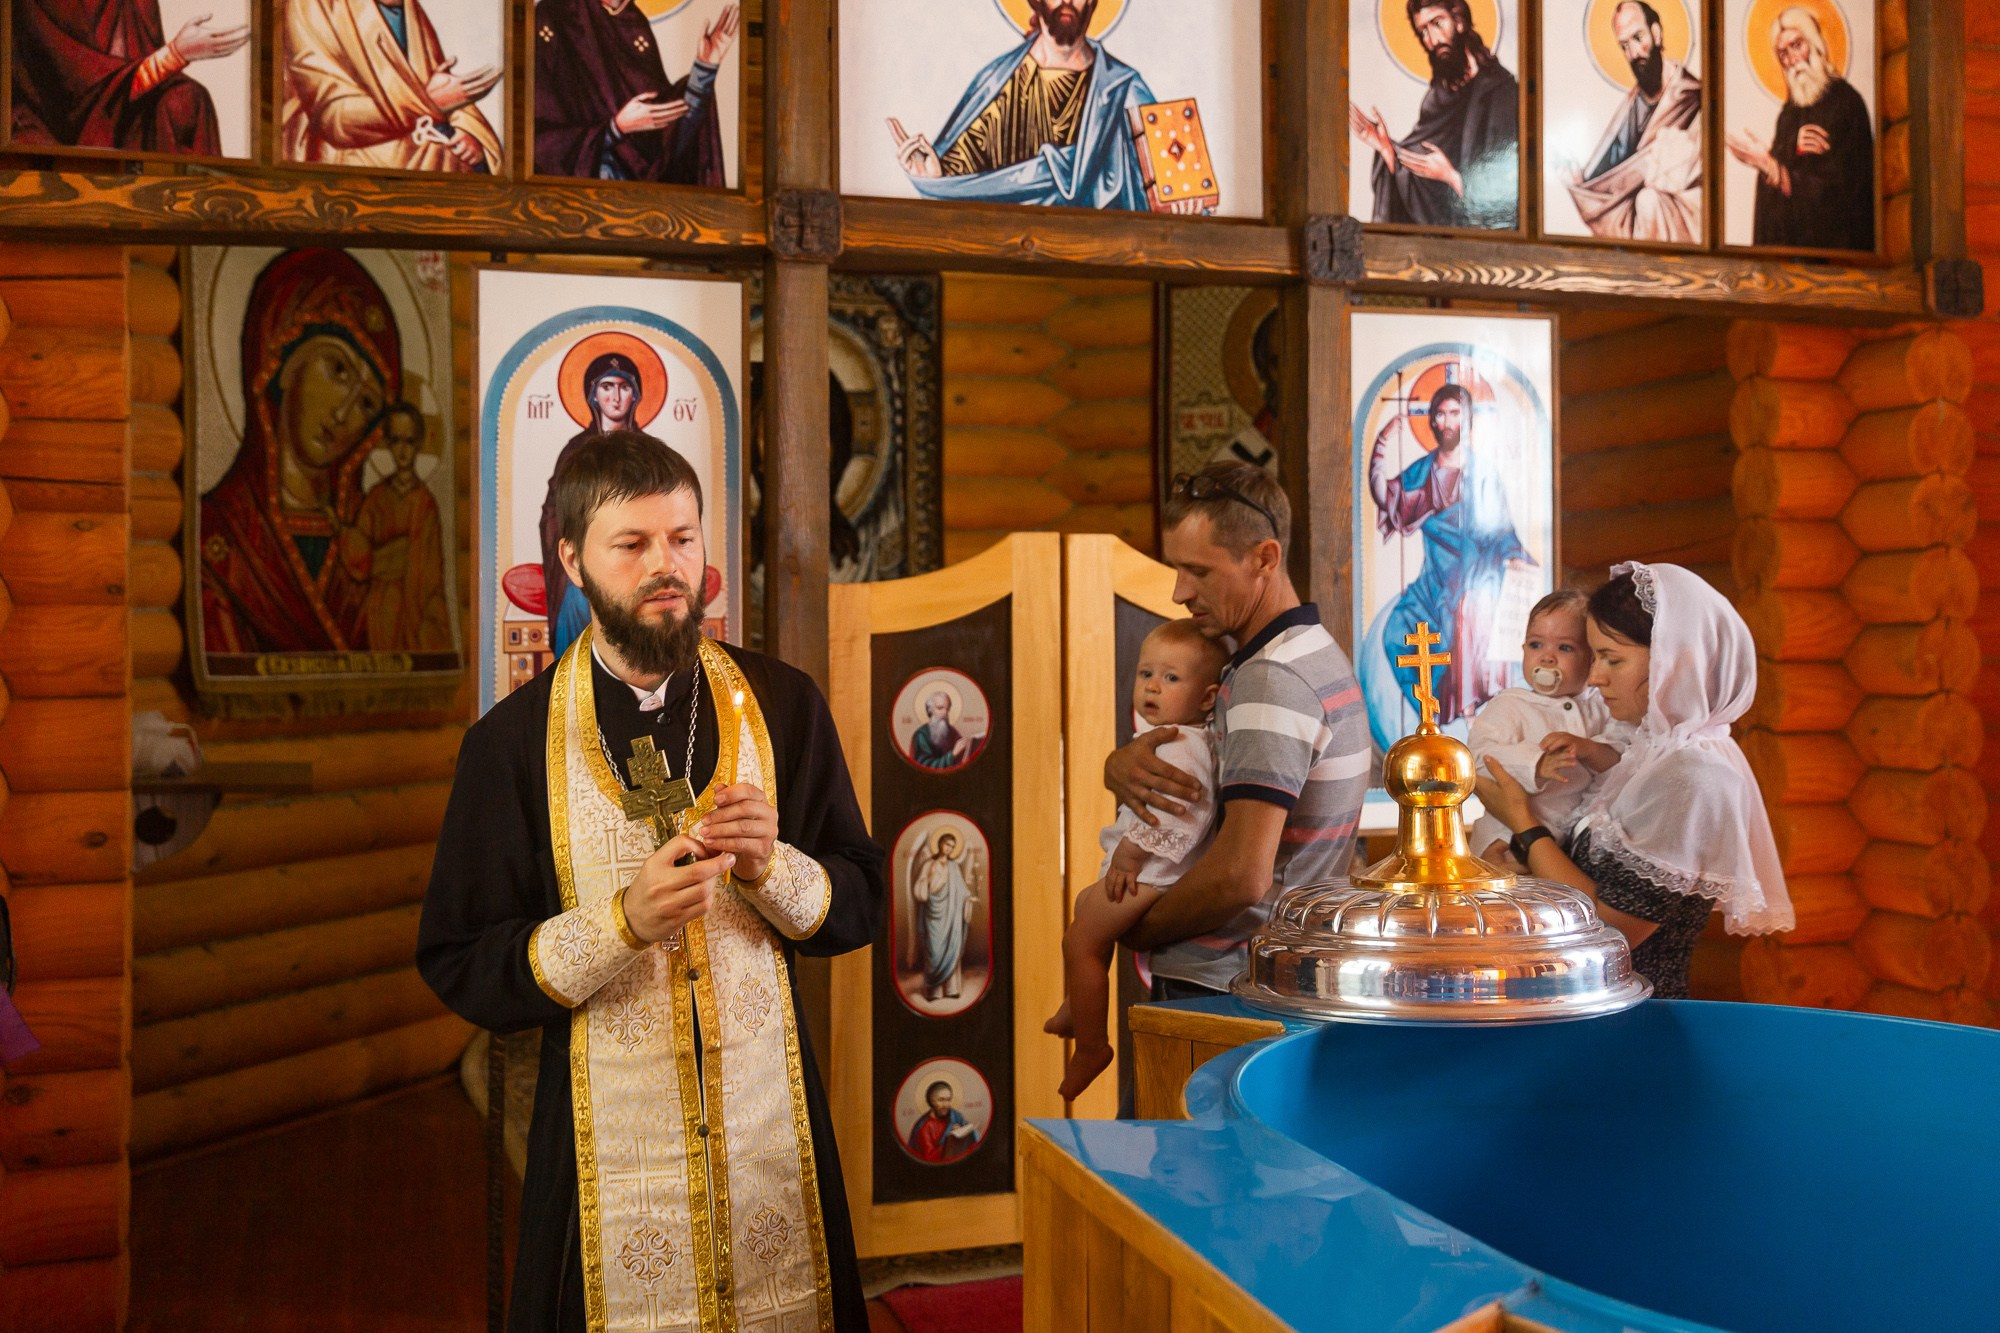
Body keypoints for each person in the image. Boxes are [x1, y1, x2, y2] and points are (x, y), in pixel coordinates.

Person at [418, 431, 884, 1332]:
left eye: (682, 538)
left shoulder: (781, 704)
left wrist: (773, 867)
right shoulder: (511, 745)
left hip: (771, 1138)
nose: (665, 566)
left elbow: (860, 897)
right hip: (599, 1160)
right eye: (631, 544)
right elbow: (461, 960)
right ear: (572, 560)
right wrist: (620, 923)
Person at [1102, 462, 1371, 1001]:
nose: (1179, 592)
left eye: (1198, 571)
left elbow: (1241, 876)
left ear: (1264, 558)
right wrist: (1118, 766)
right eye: (1177, 569)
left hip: (1232, 981)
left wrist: (1133, 930)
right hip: (1259, 976)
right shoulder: (1297, 652)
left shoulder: (1272, 677)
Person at [1475, 563, 1795, 999]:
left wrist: (1523, 824)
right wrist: (1524, 861)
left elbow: (1609, 931)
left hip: (1633, 1010)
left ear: (1673, 660)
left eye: (1612, 658)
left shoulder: (1690, 775)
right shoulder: (1645, 754)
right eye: (1595, 656)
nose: (1595, 677)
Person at [1046, 620, 1227, 1099]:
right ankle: (1077, 1005)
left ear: (1207, 698)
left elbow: (1180, 814)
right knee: (1085, 907)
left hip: (1155, 873)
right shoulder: (1179, 738)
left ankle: (1092, 1047)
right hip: (1150, 869)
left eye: (1171, 678)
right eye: (1146, 673)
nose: (1152, 686)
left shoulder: (1183, 747)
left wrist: (1128, 853)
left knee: (1080, 941)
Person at [199, 248, 398, 655]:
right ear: (285, 363)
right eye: (337, 369)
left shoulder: (370, 540)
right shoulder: (218, 536)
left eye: (366, 404)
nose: (342, 414)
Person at [886, 0, 1199, 213]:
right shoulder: (999, 82)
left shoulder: (1123, 88)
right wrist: (934, 176)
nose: (1067, 1)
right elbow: (967, 177)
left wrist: (1187, 203)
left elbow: (1175, 178)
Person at [1359, 380, 1533, 751]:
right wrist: (1381, 446)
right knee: (1396, 632)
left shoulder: (1483, 473)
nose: (1447, 421)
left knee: (1467, 617)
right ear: (1433, 422)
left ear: (1466, 420)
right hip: (1435, 578)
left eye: (1455, 413)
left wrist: (1513, 555)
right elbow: (1386, 497)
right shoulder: (1422, 472)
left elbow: (1502, 530)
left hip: (1476, 576)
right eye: (1440, 413)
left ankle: (1473, 721)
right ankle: (1430, 719)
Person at [1465, 589, 1625, 859]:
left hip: (1573, 841)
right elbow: (1479, 759)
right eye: (1536, 645)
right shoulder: (1510, 705)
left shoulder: (1603, 705)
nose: (1547, 657)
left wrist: (1588, 749)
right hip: (1506, 834)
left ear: (1592, 658)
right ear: (1523, 650)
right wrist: (1535, 764)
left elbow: (1621, 759)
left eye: (1565, 648)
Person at [538, 351, 668, 662]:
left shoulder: (650, 452)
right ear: (593, 395)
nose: (616, 397)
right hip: (591, 562)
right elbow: (553, 513)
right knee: (577, 602)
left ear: (635, 395)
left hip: (640, 561)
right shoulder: (575, 450)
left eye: (624, 387)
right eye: (607, 387)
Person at [1349, 0, 1519, 229]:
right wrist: (1387, 149)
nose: (1432, 39)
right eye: (1423, 31)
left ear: (1459, 22)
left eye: (1437, 23)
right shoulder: (1437, 95)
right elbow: (1422, 183)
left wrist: (1450, 176)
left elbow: (1505, 195)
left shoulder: (1501, 91)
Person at [280, 0, 504, 173]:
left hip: (433, 172)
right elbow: (332, 117)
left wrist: (467, 131)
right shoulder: (312, 6)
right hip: (359, 176)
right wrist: (426, 104)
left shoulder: (409, 9)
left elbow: (439, 85)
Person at [533, 0, 736, 184]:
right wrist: (616, 128)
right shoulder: (553, 18)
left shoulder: (635, 26)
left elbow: (665, 148)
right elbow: (541, 144)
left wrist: (704, 70)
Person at [1725, 6, 1874, 252]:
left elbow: (1847, 193)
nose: (1792, 59)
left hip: (1839, 251)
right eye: (1783, 53)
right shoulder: (1789, 115)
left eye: (1797, 45)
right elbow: (1775, 191)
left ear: (1815, 45)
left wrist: (1774, 168)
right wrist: (1777, 161)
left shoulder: (1847, 103)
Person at [10, 1, 249, 155]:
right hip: (48, 120)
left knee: (186, 100)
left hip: (121, 112)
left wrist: (173, 56)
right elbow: (71, 89)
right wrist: (174, 54)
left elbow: (144, 82)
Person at [1561, 1, 1703, 242]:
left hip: (1682, 217)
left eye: (1638, 38)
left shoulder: (1691, 96)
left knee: (1648, 201)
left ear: (1656, 34)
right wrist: (1583, 182)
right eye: (1625, 46)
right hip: (1639, 221)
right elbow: (1616, 165)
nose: (1634, 53)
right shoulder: (1635, 103)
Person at [325, 402, 452, 652]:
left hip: (417, 610)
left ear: (419, 443)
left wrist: (393, 557)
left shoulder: (426, 504)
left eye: (409, 441)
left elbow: (432, 574)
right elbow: (362, 558)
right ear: (388, 444)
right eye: (395, 441)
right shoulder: (377, 498)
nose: (402, 450)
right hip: (382, 609)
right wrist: (343, 532)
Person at [911, 829, 976, 1001]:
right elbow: (920, 889)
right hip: (933, 913)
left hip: (951, 913)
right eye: (947, 844)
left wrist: (968, 899)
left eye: (952, 846)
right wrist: (927, 880)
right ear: (940, 844)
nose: (948, 848)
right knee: (934, 950)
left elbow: (961, 890)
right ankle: (934, 991)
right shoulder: (928, 865)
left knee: (951, 946)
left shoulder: (954, 867)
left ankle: (952, 988)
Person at [904, 1081, 979, 1163]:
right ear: (932, 1101)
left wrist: (963, 1132)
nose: (946, 1104)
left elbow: (971, 1138)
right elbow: (930, 1159)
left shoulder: (955, 1116)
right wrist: (951, 1139)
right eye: (941, 1100)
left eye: (948, 1099)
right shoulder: (924, 1127)